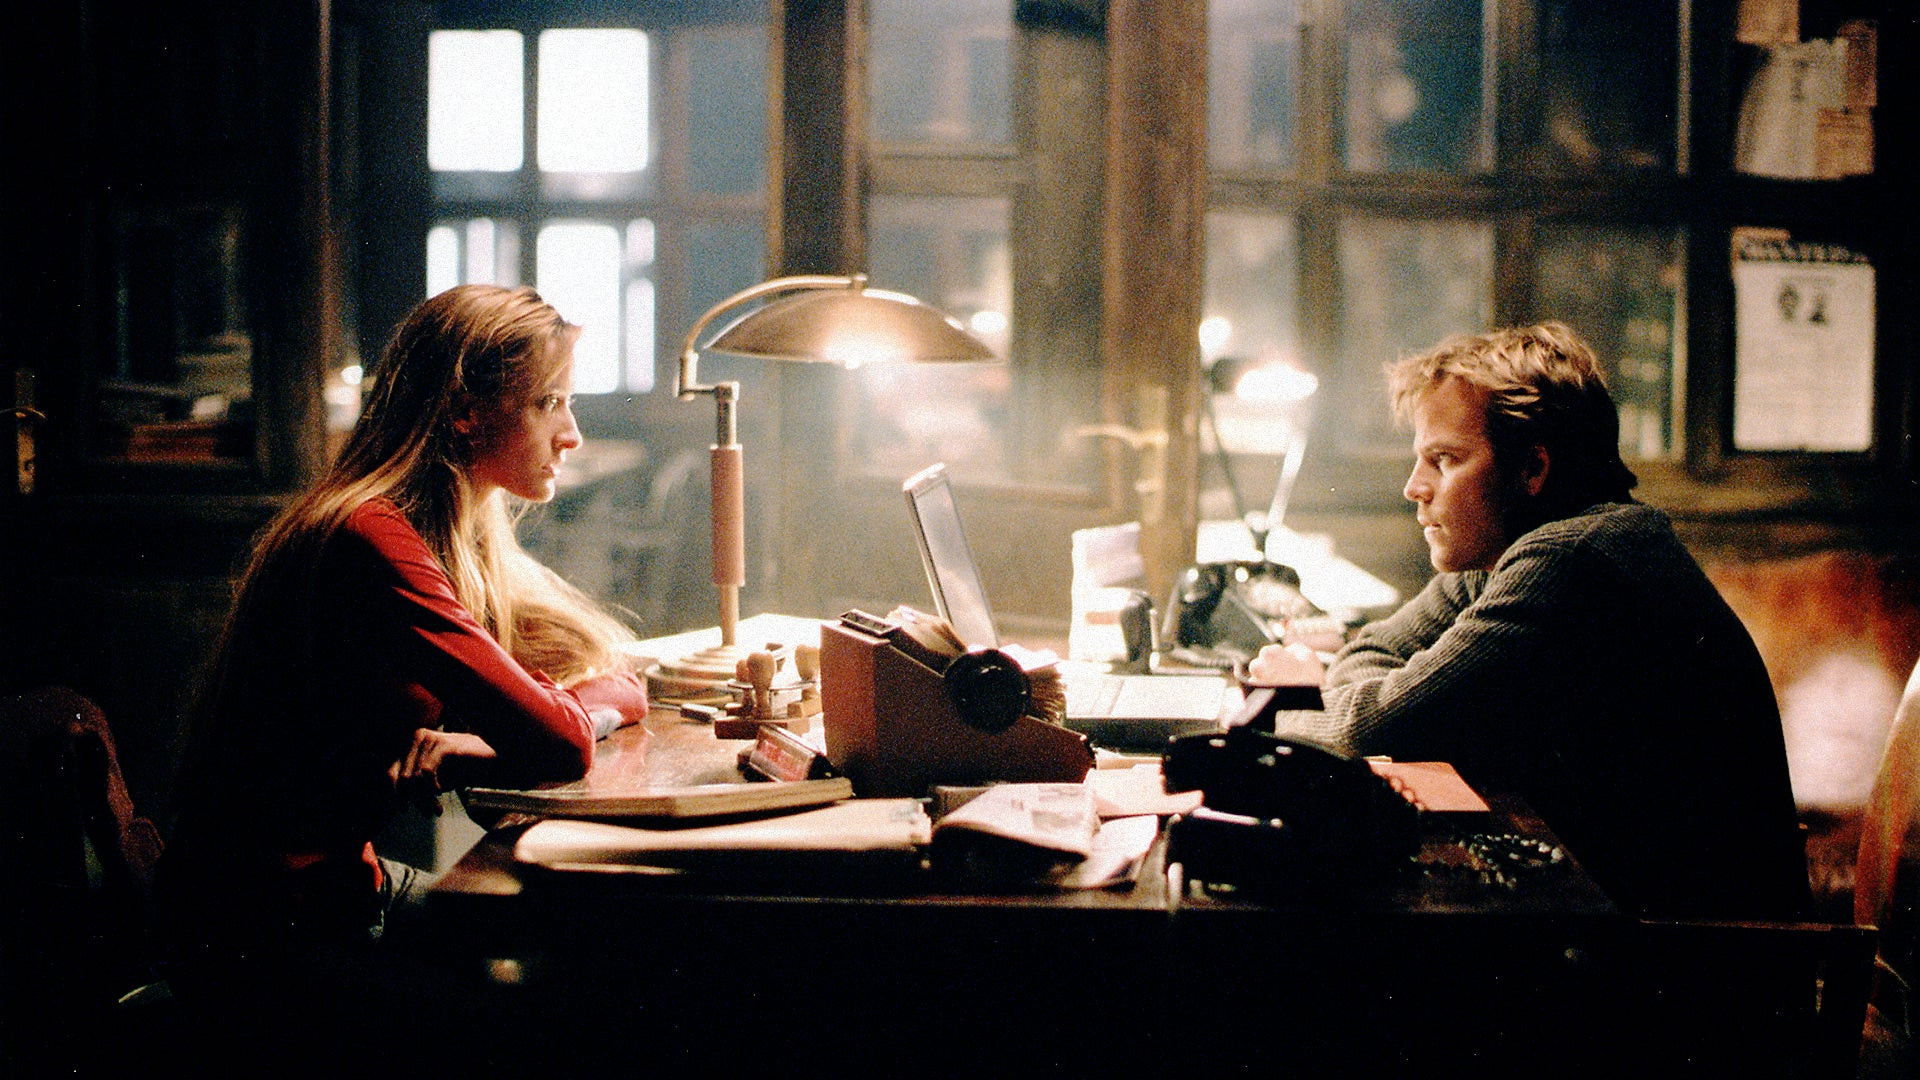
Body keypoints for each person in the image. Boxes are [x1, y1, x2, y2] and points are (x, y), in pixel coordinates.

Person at [159, 285, 648, 979]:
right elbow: (563, 741)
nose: (571, 435)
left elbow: (621, 686)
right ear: (464, 412)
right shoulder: (370, 537)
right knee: (579, 965)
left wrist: (499, 738)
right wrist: (511, 738)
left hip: (335, 891)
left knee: (582, 946)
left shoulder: (441, 535)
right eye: (548, 402)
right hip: (273, 930)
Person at [1249, 322, 1807, 920]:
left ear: (1532, 469)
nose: (1415, 487)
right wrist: (1346, 689)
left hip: (1714, 954)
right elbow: (1372, 653)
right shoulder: (1511, 550)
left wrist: (1306, 693)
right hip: (1639, 919)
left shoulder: (1575, 558)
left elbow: (1371, 727)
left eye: (1444, 460)